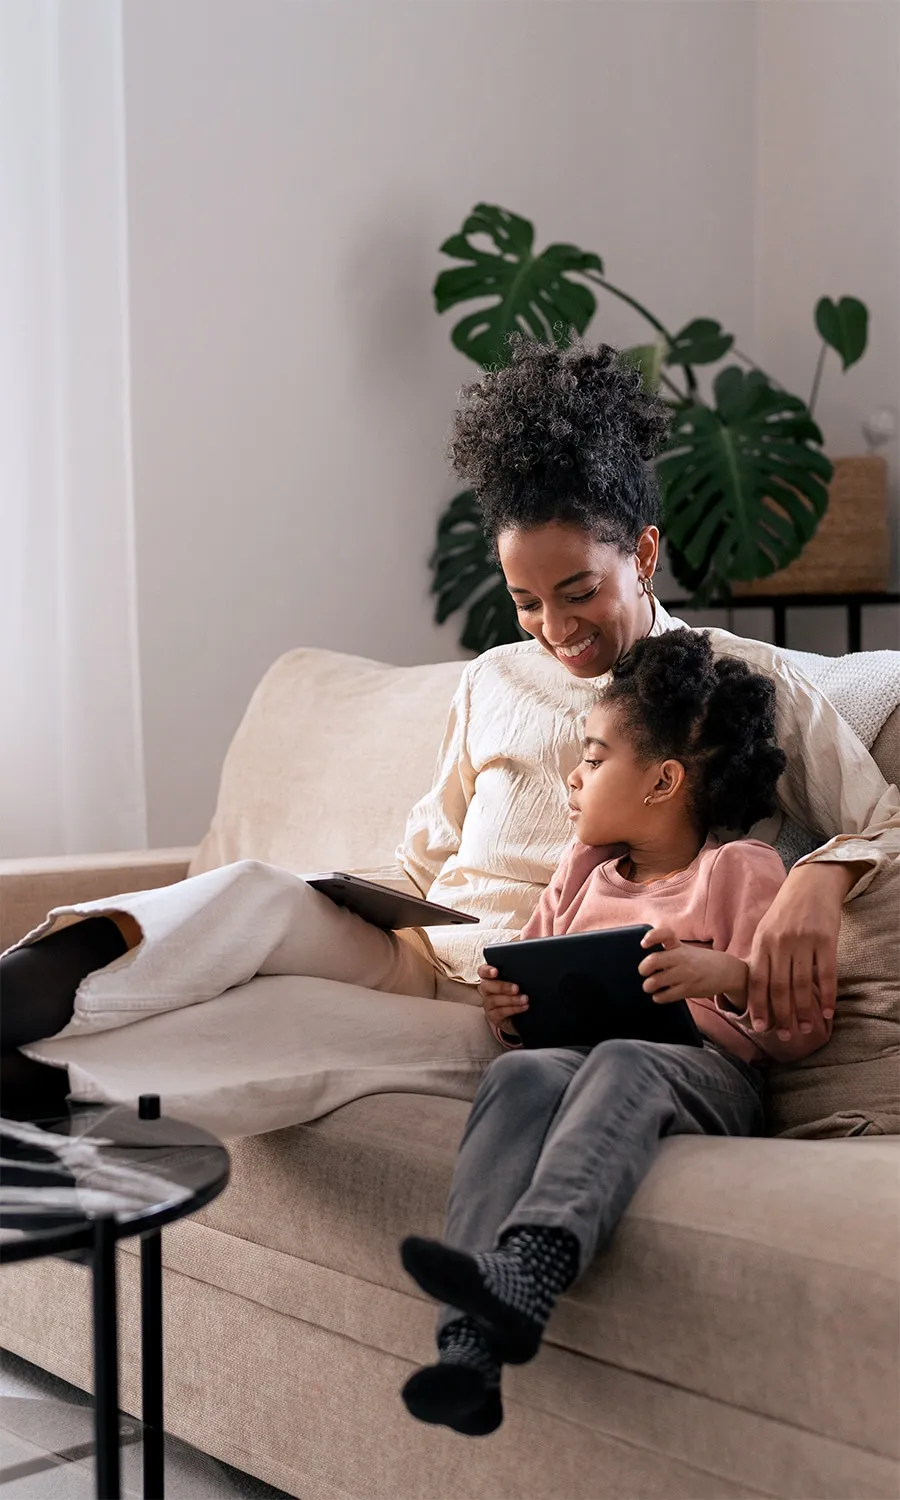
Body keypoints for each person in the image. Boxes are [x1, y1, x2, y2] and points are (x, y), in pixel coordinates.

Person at [1, 341, 897, 1108]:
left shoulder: (735, 685)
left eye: (579, 591)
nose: (555, 629)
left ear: (644, 554)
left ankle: (44, 1085)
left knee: (277, 1018)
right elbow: (424, 860)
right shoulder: (493, 680)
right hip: (422, 958)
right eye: (527, 602)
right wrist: (352, 895)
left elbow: (883, 816)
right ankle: (21, 994)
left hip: (519, 1009)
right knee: (257, 893)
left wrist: (819, 879)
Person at [398, 627, 821, 1437]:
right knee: (519, 1075)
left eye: (593, 759)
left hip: (706, 1076)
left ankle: (534, 1264)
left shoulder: (739, 869)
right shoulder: (581, 871)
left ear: (663, 781)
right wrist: (506, 1008)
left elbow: (800, 1031)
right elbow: (529, 983)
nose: (573, 775)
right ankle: (469, 1353)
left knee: (629, 1056)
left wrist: (725, 975)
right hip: (579, 1061)